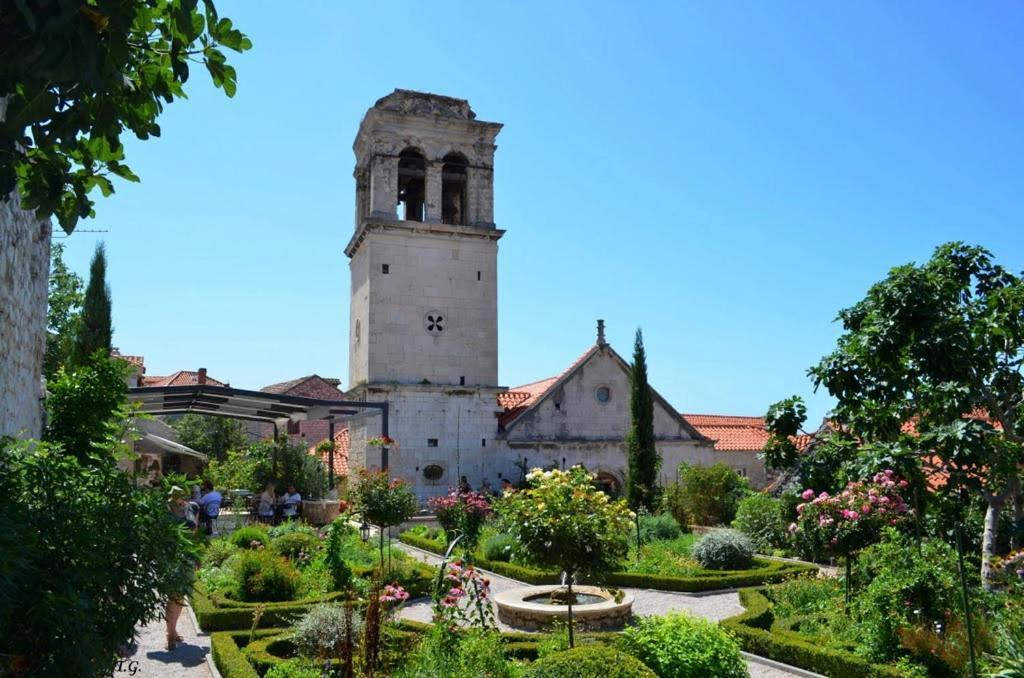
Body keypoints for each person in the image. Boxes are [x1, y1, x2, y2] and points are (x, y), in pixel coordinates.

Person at [165, 490, 197, 650]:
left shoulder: (191, 507)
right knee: (174, 595)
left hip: (187, 556)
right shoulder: (164, 511)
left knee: (180, 595)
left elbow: (194, 534)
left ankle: (173, 631)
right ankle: (170, 635)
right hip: (171, 557)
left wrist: (196, 557)